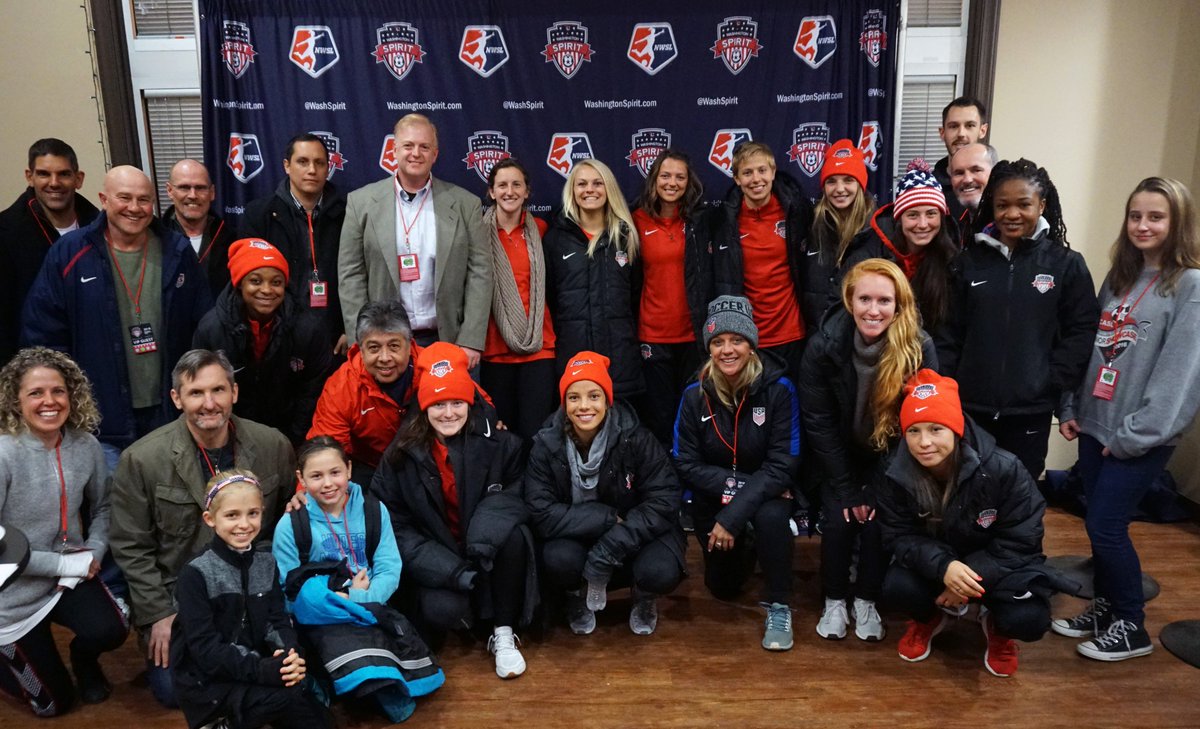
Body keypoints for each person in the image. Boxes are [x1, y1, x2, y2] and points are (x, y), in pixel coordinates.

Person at [1054, 177, 1200, 661]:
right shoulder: (1120, 277)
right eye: (1135, 215)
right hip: (1097, 426)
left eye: (1155, 217)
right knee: (1098, 527)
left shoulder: (1190, 286)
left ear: (1177, 222)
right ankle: (1106, 606)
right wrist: (1073, 408)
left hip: (1138, 436)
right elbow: (1094, 351)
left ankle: (1131, 626)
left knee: (1107, 527)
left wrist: (1136, 435)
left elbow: (1178, 375)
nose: (1142, 225)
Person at [109, 349, 292, 708]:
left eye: (218, 391)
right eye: (196, 393)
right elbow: (131, 547)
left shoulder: (273, 445)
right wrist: (158, 613)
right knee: (174, 692)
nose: (209, 403)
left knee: (291, 667)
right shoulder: (141, 459)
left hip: (252, 595)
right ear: (177, 398)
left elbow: (285, 520)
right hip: (179, 600)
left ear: (234, 393)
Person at [874, 370, 1069, 678]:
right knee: (896, 587)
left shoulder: (1004, 469)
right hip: (941, 564)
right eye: (914, 431)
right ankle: (930, 619)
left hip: (995, 568)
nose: (924, 442)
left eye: (936, 429)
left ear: (956, 429)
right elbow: (898, 535)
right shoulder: (894, 473)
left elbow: (1021, 541)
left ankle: (996, 627)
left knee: (1029, 620)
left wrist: (967, 583)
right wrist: (945, 568)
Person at [21, 166, 212, 466]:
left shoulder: (176, 250)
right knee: (111, 509)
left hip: (170, 415)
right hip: (101, 421)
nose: (135, 208)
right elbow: (44, 337)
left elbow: (203, 327)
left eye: (144, 199)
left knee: (172, 504)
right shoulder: (69, 253)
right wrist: (66, 399)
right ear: (104, 199)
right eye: (125, 198)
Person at [373, 343, 534, 679]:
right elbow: (394, 525)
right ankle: (468, 619)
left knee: (515, 535)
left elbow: (521, 492)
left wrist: (484, 536)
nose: (448, 413)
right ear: (424, 407)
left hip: (487, 553)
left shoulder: (501, 443)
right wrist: (450, 569)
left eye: (457, 402)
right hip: (442, 560)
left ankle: (503, 632)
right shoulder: (400, 455)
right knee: (445, 610)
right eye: (438, 404)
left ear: (470, 403)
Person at [801, 259, 937, 642]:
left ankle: (866, 599)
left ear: (899, 305)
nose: (873, 310)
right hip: (837, 454)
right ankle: (833, 600)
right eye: (864, 299)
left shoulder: (918, 348)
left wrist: (877, 487)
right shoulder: (824, 345)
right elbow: (818, 422)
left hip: (892, 456)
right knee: (839, 518)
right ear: (849, 300)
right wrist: (846, 487)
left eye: (883, 300)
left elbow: (919, 423)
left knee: (878, 519)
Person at [939, 159, 1099, 481]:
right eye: (1002, 205)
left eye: (1023, 204)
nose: (1012, 214)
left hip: (1030, 412)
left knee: (1019, 499)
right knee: (969, 493)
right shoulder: (967, 263)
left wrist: (1051, 379)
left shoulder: (1065, 264)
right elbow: (949, 333)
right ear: (992, 207)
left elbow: (1081, 329)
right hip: (971, 410)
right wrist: (950, 386)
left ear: (1041, 204)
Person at [274, 437, 442, 720]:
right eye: (316, 476)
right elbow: (289, 589)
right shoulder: (292, 524)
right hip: (322, 614)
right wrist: (335, 602)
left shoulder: (374, 511)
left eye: (335, 472)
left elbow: (389, 568)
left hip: (371, 603)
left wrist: (356, 598)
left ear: (349, 470)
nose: (327, 483)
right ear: (300, 478)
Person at [0, 348, 127, 716]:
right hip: (13, 595)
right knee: (53, 706)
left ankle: (84, 661)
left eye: (58, 390)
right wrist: (61, 564)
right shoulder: (4, 453)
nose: (49, 401)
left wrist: (95, 551)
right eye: (36, 393)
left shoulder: (85, 445)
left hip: (66, 578)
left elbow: (104, 507)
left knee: (113, 628)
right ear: (15, 400)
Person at [673, 297, 801, 650]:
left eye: (737, 340)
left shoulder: (779, 388)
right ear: (708, 347)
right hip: (718, 495)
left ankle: (779, 603)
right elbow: (684, 463)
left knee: (772, 515)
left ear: (752, 344)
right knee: (723, 587)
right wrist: (737, 498)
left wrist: (734, 513)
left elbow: (783, 464)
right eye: (717, 342)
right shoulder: (693, 393)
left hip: (766, 495)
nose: (727, 350)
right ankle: (748, 543)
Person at [526, 351, 685, 636]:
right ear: (564, 402)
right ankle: (576, 594)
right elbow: (540, 511)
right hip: (583, 535)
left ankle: (643, 594)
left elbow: (664, 499)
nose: (584, 406)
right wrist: (607, 519)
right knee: (557, 559)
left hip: (632, 536)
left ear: (608, 400)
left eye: (594, 396)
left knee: (660, 570)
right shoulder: (546, 444)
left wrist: (610, 545)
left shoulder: (635, 437)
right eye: (574, 397)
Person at [171, 471, 331, 729]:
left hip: (255, 666)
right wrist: (264, 670)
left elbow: (277, 619)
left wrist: (290, 655)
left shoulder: (267, 562)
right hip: (209, 680)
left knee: (317, 717)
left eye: (252, 513)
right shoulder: (195, 573)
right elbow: (205, 650)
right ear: (210, 519)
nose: (244, 524)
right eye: (232, 515)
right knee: (288, 698)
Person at [338, 114, 491, 364]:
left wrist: (471, 340)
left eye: (424, 146)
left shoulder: (466, 204)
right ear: (394, 150)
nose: (415, 153)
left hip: (450, 343)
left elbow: (480, 274)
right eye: (408, 145)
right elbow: (350, 275)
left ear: (435, 153)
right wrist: (362, 341)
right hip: (384, 347)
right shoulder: (361, 203)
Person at [193, 238, 333, 444]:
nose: (267, 290)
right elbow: (200, 389)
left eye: (276, 282)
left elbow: (312, 394)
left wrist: (293, 441)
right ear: (240, 283)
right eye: (256, 281)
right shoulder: (211, 329)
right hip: (229, 435)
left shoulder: (309, 329)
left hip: (291, 436)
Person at [709, 142, 814, 385]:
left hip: (792, 333)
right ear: (736, 179)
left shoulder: (797, 212)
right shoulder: (723, 221)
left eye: (762, 170)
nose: (756, 179)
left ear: (773, 172)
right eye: (747, 173)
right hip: (746, 337)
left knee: (792, 407)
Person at [543, 159, 645, 398]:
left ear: (608, 188)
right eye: (582, 184)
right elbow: (550, 299)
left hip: (620, 356)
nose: (590, 189)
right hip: (573, 352)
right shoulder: (555, 239)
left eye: (597, 183)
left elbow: (635, 295)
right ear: (572, 191)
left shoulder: (626, 236)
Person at [242, 133, 348, 352]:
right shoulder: (258, 215)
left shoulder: (348, 212)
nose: (312, 170)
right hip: (278, 337)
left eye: (319, 163)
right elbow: (246, 284)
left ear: (328, 168)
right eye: (303, 162)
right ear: (287, 166)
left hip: (337, 337)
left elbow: (359, 276)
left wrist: (352, 327)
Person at [631, 149, 709, 446]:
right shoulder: (635, 219)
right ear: (654, 180)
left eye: (680, 177)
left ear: (689, 183)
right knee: (660, 417)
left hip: (693, 336)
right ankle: (664, 483)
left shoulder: (701, 221)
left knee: (694, 413)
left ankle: (693, 481)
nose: (672, 183)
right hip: (653, 336)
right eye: (665, 176)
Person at [0, 138, 99, 364]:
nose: (54, 183)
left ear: (78, 179)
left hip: (94, 360)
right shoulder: (6, 234)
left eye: (63, 174)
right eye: (44, 174)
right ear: (29, 176)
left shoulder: (100, 228)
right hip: (31, 368)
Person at [479, 158, 557, 441]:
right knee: (501, 436)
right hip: (495, 349)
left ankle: (536, 486)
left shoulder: (543, 231)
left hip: (539, 348)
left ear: (527, 192)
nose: (509, 191)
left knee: (536, 435)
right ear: (491, 192)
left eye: (516, 185)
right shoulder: (476, 232)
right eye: (502, 185)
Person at [308, 300, 422, 488]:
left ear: (410, 346)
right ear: (360, 349)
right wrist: (307, 495)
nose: (385, 358)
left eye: (394, 346)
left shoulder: (434, 368)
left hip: (427, 466)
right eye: (374, 348)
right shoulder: (342, 386)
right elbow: (325, 449)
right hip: (370, 470)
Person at [840, 158, 958, 332]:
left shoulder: (950, 260)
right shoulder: (866, 256)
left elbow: (950, 329)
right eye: (912, 215)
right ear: (899, 219)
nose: (923, 224)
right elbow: (843, 318)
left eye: (931, 214)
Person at [801, 139, 874, 330]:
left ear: (860, 184)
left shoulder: (877, 229)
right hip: (817, 338)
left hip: (861, 339)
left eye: (848, 180)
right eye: (831, 181)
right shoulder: (810, 224)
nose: (839, 189)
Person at [163, 158, 235, 298]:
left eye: (200, 188)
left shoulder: (234, 240)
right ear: (170, 190)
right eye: (184, 187)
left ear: (212, 192)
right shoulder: (155, 240)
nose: (193, 195)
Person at [932, 96, 990, 220]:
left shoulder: (1000, 184)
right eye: (953, 126)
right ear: (942, 133)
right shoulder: (928, 188)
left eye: (969, 125)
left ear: (982, 130)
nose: (961, 134)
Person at [947, 142, 998, 242]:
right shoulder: (955, 226)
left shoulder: (1007, 226)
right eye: (959, 173)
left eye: (976, 170)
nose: (967, 179)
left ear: (994, 173)